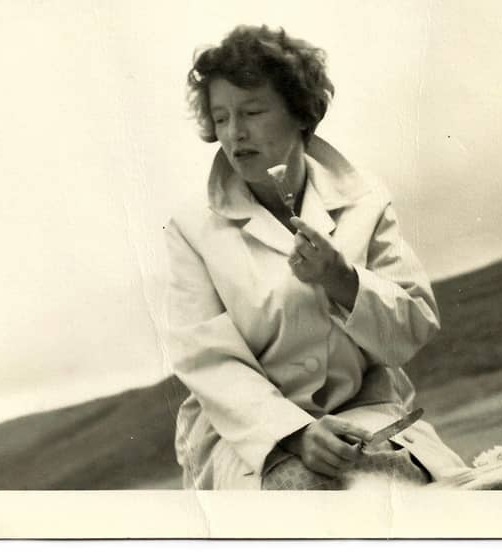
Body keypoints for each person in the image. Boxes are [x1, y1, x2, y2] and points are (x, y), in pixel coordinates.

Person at [164, 25, 468, 490]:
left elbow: (411, 331)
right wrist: (295, 433)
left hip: (363, 413)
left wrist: (342, 279)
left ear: (301, 112)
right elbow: (209, 363)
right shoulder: (192, 228)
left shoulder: (364, 199)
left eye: (252, 111)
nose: (234, 133)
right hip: (249, 438)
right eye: (221, 117)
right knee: (305, 500)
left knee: (389, 494)